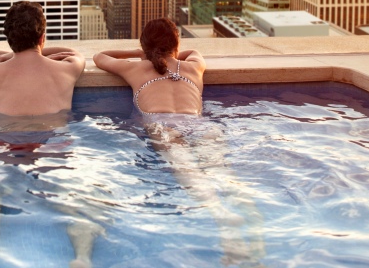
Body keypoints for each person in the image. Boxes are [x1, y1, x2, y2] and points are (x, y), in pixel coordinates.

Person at [94, 18, 266, 266]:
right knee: (225, 176)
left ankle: (222, 217)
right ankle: (255, 232)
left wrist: (140, 54)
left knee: (191, 176)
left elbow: (100, 56)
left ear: (145, 47)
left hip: (163, 127)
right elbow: (195, 51)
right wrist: (166, 52)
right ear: (176, 44)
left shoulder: (136, 69)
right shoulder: (193, 66)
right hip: (201, 126)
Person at [0, 1, 101, 268]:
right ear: (42, 36)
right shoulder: (66, 69)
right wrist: (40, 52)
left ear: (9, 40)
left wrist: (10, 56)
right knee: (80, 206)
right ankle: (82, 257)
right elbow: (74, 53)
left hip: (1, 149)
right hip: (51, 148)